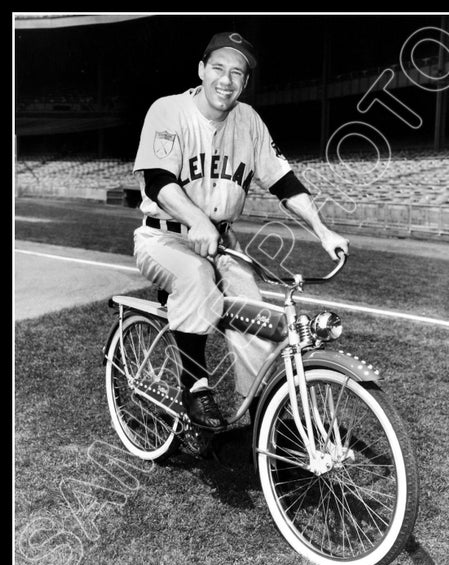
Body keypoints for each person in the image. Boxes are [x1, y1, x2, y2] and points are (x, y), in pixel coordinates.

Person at [132, 31, 349, 429]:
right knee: (195, 277)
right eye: (218, 68)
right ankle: (195, 387)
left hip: (222, 239)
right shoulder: (167, 110)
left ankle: (258, 410)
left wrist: (322, 230)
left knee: (252, 308)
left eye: (237, 72)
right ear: (201, 69)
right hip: (163, 234)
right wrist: (196, 220)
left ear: (245, 82)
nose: (226, 80)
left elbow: (284, 182)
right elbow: (157, 181)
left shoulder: (248, 120)